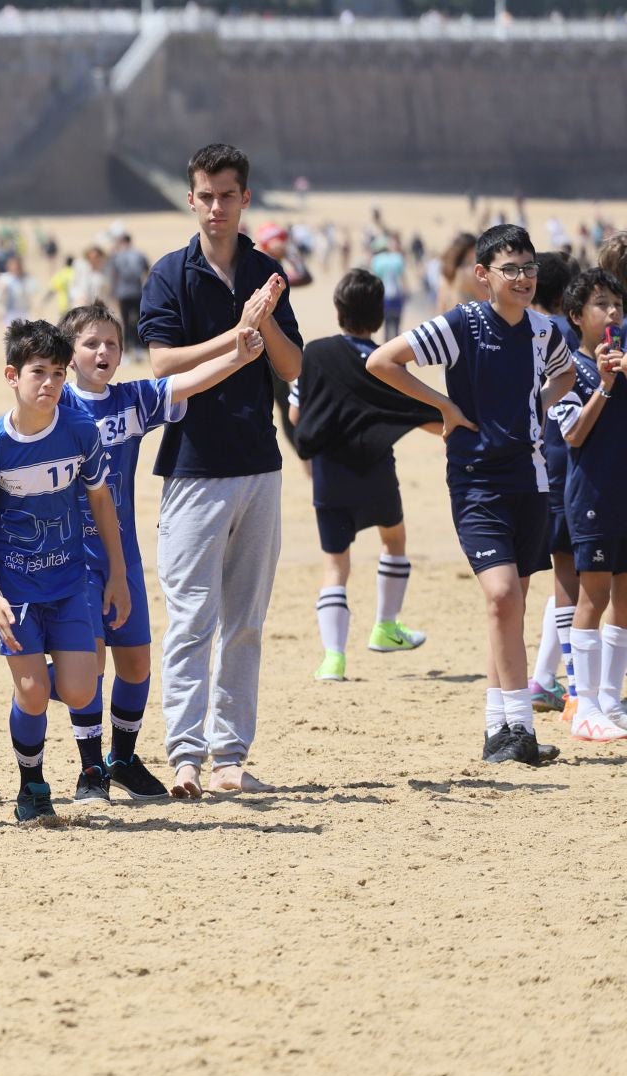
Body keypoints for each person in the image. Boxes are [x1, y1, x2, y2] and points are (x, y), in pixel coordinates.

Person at [367, 225, 576, 766]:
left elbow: (565, 376)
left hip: (530, 481)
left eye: (530, 268)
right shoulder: (462, 323)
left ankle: (498, 730)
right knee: (503, 595)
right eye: (512, 269)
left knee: (509, 607)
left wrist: (538, 405)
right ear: (483, 275)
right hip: (476, 480)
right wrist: (443, 407)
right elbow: (383, 361)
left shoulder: (544, 330)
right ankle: (522, 729)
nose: (525, 278)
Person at [137, 143, 303, 797]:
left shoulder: (266, 271)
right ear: (192, 199)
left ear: (244, 200)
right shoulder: (169, 275)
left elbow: (292, 368)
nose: (215, 207)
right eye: (205, 195)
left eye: (227, 195)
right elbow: (162, 365)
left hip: (259, 466)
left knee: (246, 622)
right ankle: (184, 756)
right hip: (191, 468)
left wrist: (265, 327)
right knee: (190, 617)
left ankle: (230, 756)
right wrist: (238, 337)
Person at [58, 299, 262, 800]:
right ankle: (91, 773)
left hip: (122, 554)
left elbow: (185, 383)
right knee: (94, 663)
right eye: (91, 343)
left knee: (136, 664)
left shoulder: (129, 401)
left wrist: (237, 356)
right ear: (69, 354)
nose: (103, 351)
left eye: (112, 343)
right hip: (70, 558)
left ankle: (123, 760)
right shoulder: (54, 406)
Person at [0, 319, 128, 827]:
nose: (49, 383)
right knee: (31, 693)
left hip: (70, 584)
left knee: (80, 690)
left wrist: (115, 573)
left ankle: (29, 678)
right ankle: (32, 784)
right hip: (17, 593)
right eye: (37, 373)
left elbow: (100, 500)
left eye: (57, 373)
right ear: (12, 375)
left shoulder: (79, 432)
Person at [286, 270, 440, 684]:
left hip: (329, 473)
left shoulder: (314, 354)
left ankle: (333, 659)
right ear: (377, 317)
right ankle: (386, 626)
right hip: (374, 469)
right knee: (394, 539)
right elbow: (414, 412)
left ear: (339, 311)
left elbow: (296, 414)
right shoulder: (382, 361)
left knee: (335, 565)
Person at [546, 268, 627, 743]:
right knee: (592, 597)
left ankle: (612, 700)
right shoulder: (568, 371)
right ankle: (585, 703)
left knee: (624, 598)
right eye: (601, 304)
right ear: (577, 316)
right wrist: (605, 384)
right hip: (591, 496)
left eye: (616, 303)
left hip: (623, 492)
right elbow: (572, 433)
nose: (613, 312)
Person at [529, 253, 580, 712]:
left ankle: (545, 679)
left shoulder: (522, 327)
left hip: (539, 463)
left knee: (565, 576)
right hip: (567, 463)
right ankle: (559, 679)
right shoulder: (561, 334)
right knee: (571, 574)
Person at [109, 233, 150, 348]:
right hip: (138, 292)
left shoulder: (117, 257)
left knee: (125, 321)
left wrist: (113, 292)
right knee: (139, 319)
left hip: (123, 293)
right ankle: (140, 344)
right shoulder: (140, 255)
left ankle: (127, 344)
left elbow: (114, 276)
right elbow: (146, 273)